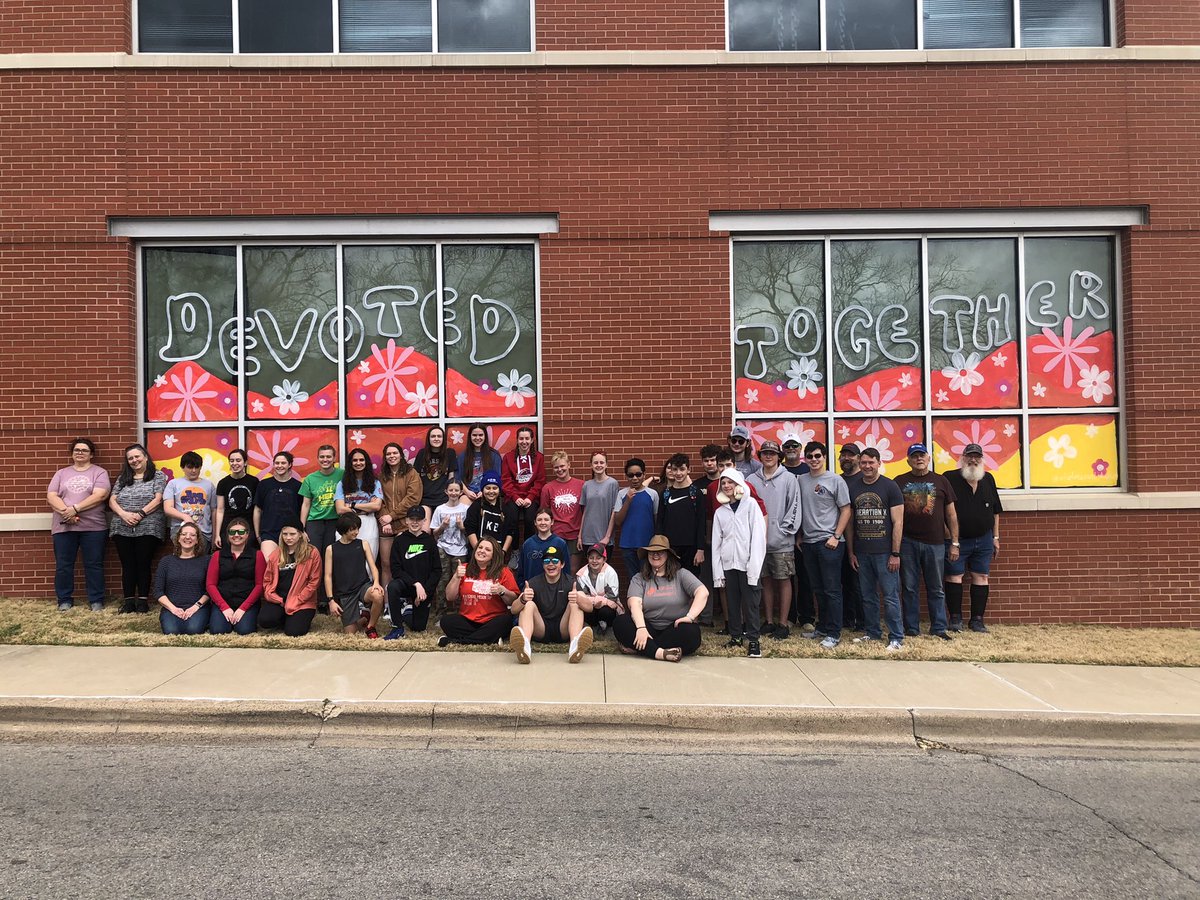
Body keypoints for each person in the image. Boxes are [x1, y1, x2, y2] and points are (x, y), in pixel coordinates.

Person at [894, 443, 959, 641]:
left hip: (936, 543)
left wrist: (954, 542)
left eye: (922, 455)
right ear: (908, 460)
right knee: (909, 587)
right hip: (908, 542)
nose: (918, 459)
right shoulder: (899, 481)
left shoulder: (941, 481)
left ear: (928, 458)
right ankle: (911, 628)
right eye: (914, 456)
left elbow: (951, 514)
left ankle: (939, 627)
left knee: (936, 587)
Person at [845, 448, 906, 651]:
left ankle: (896, 636)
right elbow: (851, 524)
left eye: (871, 462)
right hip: (862, 552)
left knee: (890, 596)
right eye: (863, 463)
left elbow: (898, 523)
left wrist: (895, 553)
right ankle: (872, 632)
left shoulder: (890, 487)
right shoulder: (854, 487)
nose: (867, 466)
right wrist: (851, 552)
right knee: (867, 596)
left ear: (879, 463)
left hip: (885, 553)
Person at [613, 535, 708, 662]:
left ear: (668, 555)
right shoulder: (639, 578)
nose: (655, 555)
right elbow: (635, 604)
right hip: (647, 627)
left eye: (660, 552)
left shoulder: (681, 575)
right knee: (621, 622)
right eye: (652, 552)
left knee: (692, 633)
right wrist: (641, 628)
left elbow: (703, 592)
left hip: (674, 628)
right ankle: (660, 653)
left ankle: (644, 648)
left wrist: (690, 617)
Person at [943, 442, 1003, 633]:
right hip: (957, 540)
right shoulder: (950, 478)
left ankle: (977, 620)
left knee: (982, 576)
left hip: (984, 539)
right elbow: (942, 510)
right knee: (954, 576)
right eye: (970, 456)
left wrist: (995, 537)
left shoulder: (988, 479)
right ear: (962, 458)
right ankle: (955, 619)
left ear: (982, 459)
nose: (973, 460)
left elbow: (995, 511)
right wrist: (951, 538)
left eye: (977, 456)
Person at [798, 441, 852, 649]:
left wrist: (836, 536)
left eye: (817, 456)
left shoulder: (835, 480)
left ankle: (834, 632)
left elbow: (846, 510)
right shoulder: (801, 480)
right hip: (809, 542)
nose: (813, 460)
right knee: (818, 589)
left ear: (825, 457)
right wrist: (800, 535)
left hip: (829, 543)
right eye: (809, 456)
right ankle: (822, 627)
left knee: (832, 590)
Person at [47, 437, 110, 611]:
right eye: (77, 450)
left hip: (94, 528)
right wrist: (67, 512)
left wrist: (75, 508)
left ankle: (96, 600)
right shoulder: (62, 473)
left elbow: (100, 495)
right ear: (72, 453)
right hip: (64, 526)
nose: (80, 453)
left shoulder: (99, 473)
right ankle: (64, 600)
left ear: (91, 455)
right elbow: (51, 496)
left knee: (94, 564)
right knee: (64, 565)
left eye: (84, 450)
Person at [747, 440, 801, 640]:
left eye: (772, 453)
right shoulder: (751, 479)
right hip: (758, 541)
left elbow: (794, 506)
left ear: (780, 456)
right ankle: (769, 621)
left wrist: (784, 530)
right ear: (759, 456)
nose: (768, 456)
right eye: (765, 453)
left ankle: (783, 623)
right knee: (765, 580)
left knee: (783, 580)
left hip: (782, 541)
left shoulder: (789, 479)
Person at [712, 468, 767, 658]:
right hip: (729, 565)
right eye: (723, 483)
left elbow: (758, 537)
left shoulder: (751, 505)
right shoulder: (720, 512)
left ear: (738, 484)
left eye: (730, 482)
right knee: (732, 601)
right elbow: (717, 543)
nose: (727, 486)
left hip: (748, 563)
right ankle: (735, 635)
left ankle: (753, 640)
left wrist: (754, 564)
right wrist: (718, 571)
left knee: (751, 602)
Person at [509, 545, 594, 664]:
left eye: (555, 561)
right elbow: (513, 609)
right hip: (541, 628)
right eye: (546, 561)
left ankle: (575, 646)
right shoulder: (534, 582)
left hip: (563, 629)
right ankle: (525, 647)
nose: (550, 564)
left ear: (562, 564)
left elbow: (589, 608)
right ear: (543, 565)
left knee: (575, 603)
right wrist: (523, 599)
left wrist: (578, 598)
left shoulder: (570, 582)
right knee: (528, 604)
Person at [108, 443, 167, 614]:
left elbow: (158, 499)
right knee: (127, 564)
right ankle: (128, 602)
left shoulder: (157, 476)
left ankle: (142, 601)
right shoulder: (123, 478)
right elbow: (112, 500)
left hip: (148, 525)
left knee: (143, 562)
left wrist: (140, 514)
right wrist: (124, 514)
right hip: (122, 525)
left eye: (137, 456)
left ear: (146, 457)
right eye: (130, 458)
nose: (134, 460)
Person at [439, 536, 519, 646]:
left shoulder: (504, 571)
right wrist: (456, 577)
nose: (482, 551)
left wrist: (502, 591)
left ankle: (458, 641)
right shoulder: (464, 568)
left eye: (487, 549)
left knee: (505, 621)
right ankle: (488, 638)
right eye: (480, 547)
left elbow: (513, 601)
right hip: (468, 621)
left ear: (493, 555)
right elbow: (449, 597)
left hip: (493, 620)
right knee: (446, 621)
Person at [325, 511, 386, 638]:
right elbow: (328, 576)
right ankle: (364, 619)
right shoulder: (331, 549)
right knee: (350, 633)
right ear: (343, 530)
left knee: (378, 595)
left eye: (357, 528)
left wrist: (376, 582)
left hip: (363, 586)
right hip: (345, 593)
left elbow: (373, 567)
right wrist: (331, 600)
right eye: (352, 529)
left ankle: (370, 627)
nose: (356, 532)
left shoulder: (363, 544)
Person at [384, 506, 441, 639]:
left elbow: (436, 570)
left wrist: (424, 590)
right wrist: (415, 583)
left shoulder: (430, 541)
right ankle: (397, 627)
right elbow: (396, 569)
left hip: (423, 590)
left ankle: (407, 611)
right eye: (412, 519)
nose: (415, 522)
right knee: (392, 587)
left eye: (418, 519)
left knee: (418, 628)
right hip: (406, 584)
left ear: (424, 521)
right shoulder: (399, 540)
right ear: (406, 521)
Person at [260, 518, 323, 637]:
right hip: (280, 600)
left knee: (293, 631)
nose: (288, 538)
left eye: (292, 534)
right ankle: (285, 617)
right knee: (265, 620)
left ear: (300, 534)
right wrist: (274, 597)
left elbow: (313, 582)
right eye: (285, 534)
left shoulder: (311, 553)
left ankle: (297, 619)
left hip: (302, 600)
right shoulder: (276, 555)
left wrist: (297, 600)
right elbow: (267, 581)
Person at [206, 516, 265, 635]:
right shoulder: (218, 555)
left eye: (241, 532)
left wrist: (243, 608)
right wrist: (224, 607)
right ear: (228, 535)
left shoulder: (257, 555)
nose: (236, 535)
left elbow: (260, 585)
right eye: (232, 532)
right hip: (223, 602)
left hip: (247, 602)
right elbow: (210, 585)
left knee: (244, 630)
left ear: (247, 534)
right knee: (218, 630)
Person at [299, 444, 342, 610]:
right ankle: (314, 599)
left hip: (335, 521)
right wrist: (302, 528)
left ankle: (330, 598)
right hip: (315, 522)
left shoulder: (342, 474)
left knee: (332, 560)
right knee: (314, 560)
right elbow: (306, 504)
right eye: (322, 457)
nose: (325, 460)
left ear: (334, 458)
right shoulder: (310, 479)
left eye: (328, 457)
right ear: (318, 459)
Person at [781, 432, 816, 634]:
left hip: (805, 534)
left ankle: (807, 617)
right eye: (787, 446)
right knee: (786, 577)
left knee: (806, 577)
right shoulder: (779, 470)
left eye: (795, 445)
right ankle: (790, 616)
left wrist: (802, 533)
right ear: (783, 450)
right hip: (785, 534)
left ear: (800, 449)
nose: (791, 449)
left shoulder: (807, 470)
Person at [153, 522, 212, 635]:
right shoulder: (166, 561)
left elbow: (209, 589)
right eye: (184, 534)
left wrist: (196, 607)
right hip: (172, 607)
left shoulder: (206, 561)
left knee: (193, 630)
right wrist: (173, 609)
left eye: (192, 535)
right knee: (171, 631)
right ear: (178, 538)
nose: (188, 537)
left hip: (198, 607)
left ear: (197, 540)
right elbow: (158, 591)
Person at [378, 441, 422, 588]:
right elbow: (379, 500)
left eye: (395, 453)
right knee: (386, 564)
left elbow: (413, 498)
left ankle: (406, 601)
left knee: (406, 563)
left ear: (401, 455)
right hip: (386, 527)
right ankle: (387, 604)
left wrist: (392, 516)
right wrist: (386, 519)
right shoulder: (382, 476)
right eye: (388, 454)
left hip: (405, 526)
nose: (392, 456)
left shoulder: (411, 473)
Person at [656, 453, 706, 581]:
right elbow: (660, 523)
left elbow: (701, 523)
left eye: (682, 469)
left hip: (691, 549)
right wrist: (660, 548)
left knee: (691, 584)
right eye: (675, 469)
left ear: (688, 470)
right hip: (670, 549)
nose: (678, 473)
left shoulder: (696, 493)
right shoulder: (665, 494)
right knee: (671, 583)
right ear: (671, 470)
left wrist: (700, 549)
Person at [690, 443, 723, 627]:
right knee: (706, 578)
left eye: (713, 460)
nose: (709, 464)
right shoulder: (697, 485)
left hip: (728, 540)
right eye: (706, 460)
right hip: (706, 539)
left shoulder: (728, 483)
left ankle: (729, 617)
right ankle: (706, 617)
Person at [613, 457, 659, 584]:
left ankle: (647, 604)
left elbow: (656, 519)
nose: (635, 478)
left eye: (638, 474)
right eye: (631, 475)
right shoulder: (622, 494)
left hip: (647, 545)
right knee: (633, 579)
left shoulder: (652, 494)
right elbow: (618, 521)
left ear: (644, 475)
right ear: (626, 476)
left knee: (648, 578)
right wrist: (628, 501)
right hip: (627, 545)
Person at [335, 447, 384, 564]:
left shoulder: (375, 483)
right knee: (346, 561)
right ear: (350, 463)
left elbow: (376, 506)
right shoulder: (342, 484)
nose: (358, 463)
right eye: (355, 460)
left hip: (368, 522)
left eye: (361, 460)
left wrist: (352, 505)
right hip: (346, 523)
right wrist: (367, 506)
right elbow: (340, 509)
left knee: (368, 560)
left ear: (366, 462)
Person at [539, 451, 585, 569]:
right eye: (556, 467)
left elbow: (586, 512)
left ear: (568, 465)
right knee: (554, 568)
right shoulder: (548, 488)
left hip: (575, 534)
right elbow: (544, 514)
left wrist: (581, 535)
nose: (559, 469)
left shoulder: (581, 485)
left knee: (573, 571)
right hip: (556, 534)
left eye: (562, 466)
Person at [430, 480, 469, 616]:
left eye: (456, 490)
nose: (453, 493)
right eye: (451, 490)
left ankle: (460, 612)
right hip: (443, 548)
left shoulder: (465, 509)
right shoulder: (440, 509)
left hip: (461, 549)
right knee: (442, 580)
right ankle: (441, 612)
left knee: (460, 580)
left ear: (461, 492)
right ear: (446, 491)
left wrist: (461, 526)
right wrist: (442, 526)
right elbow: (434, 533)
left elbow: (469, 532)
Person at [254, 451, 302, 562]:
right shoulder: (264, 484)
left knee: (289, 567)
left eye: (283, 463)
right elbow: (257, 510)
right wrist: (258, 535)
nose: (279, 466)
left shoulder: (298, 486)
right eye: (277, 463)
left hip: (291, 534)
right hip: (269, 533)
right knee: (270, 563)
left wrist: (301, 531)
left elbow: (302, 511)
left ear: (289, 465)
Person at [501, 426, 545, 543]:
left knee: (530, 519)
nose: (524, 442)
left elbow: (540, 481)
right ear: (517, 440)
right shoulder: (508, 457)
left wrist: (530, 497)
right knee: (512, 518)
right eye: (521, 439)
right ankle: (515, 549)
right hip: (513, 496)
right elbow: (506, 480)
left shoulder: (539, 458)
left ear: (532, 440)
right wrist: (515, 497)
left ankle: (528, 547)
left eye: (527, 439)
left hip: (531, 497)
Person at [837, 443, 865, 631]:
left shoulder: (866, 479)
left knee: (860, 585)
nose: (847, 458)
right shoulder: (836, 480)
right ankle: (847, 619)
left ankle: (862, 622)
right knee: (844, 582)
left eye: (851, 455)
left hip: (863, 540)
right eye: (843, 455)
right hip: (839, 540)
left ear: (858, 458)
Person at [162, 450, 215, 543]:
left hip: (203, 532)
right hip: (180, 531)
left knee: (201, 557)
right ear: (183, 467)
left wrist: (215, 534)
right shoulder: (173, 484)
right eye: (190, 467)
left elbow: (214, 510)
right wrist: (185, 517)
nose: (194, 470)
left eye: (197, 467)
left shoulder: (209, 485)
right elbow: (168, 508)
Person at [463, 471, 518, 557]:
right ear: (482, 489)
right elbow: (470, 530)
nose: (491, 491)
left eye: (494, 488)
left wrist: (503, 552)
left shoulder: (506, 508)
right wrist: (478, 551)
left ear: (499, 490)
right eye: (488, 488)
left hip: (498, 555)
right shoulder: (476, 506)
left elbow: (510, 532)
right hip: (478, 554)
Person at [572, 543, 621, 637]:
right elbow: (583, 596)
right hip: (591, 606)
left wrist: (596, 601)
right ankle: (592, 628)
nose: (594, 561)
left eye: (598, 558)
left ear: (604, 559)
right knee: (582, 608)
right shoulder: (582, 574)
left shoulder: (611, 573)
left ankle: (607, 628)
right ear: (588, 559)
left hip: (606, 607)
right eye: (591, 558)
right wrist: (596, 601)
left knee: (606, 612)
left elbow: (613, 596)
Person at [514, 507, 569, 589]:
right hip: (531, 590)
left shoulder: (560, 543)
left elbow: (566, 570)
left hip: (554, 591)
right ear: (535, 522)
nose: (543, 522)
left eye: (546, 520)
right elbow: (521, 571)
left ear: (552, 522)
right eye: (539, 520)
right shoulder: (528, 544)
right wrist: (523, 587)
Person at [578, 451, 618, 558]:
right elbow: (585, 512)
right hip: (587, 537)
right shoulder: (587, 485)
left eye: (601, 462)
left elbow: (614, 511)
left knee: (603, 570)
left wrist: (608, 537)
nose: (598, 465)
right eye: (595, 463)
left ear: (606, 465)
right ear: (591, 465)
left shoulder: (612, 484)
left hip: (603, 537)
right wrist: (580, 536)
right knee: (590, 569)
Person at [214, 448, 257, 548]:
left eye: (238, 460)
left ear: (245, 463)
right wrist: (217, 535)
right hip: (228, 526)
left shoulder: (254, 482)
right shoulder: (223, 483)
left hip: (249, 526)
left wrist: (257, 533)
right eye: (232, 461)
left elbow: (257, 509)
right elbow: (220, 510)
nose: (234, 463)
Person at [415, 425, 459, 521]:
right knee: (425, 530)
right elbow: (416, 479)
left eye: (439, 436)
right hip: (425, 499)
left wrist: (450, 498)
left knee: (442, 528)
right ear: (428, 439)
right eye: (433, 436)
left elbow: (451, 479)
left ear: (443, 439)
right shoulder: (422, 454)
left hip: (444, 499)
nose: (436, 439)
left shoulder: (450, 453)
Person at [460, 424, 502, 502]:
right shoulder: (463, 455)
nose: (477, 438)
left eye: (480, 435)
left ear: (485, 436)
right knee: (463, 504)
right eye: (474, 435)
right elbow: (457, 478)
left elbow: (498, 477)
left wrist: (485, 491)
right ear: (470, 437)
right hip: (468, 494)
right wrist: (467, 492)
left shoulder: (494, 455)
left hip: (488, 493)